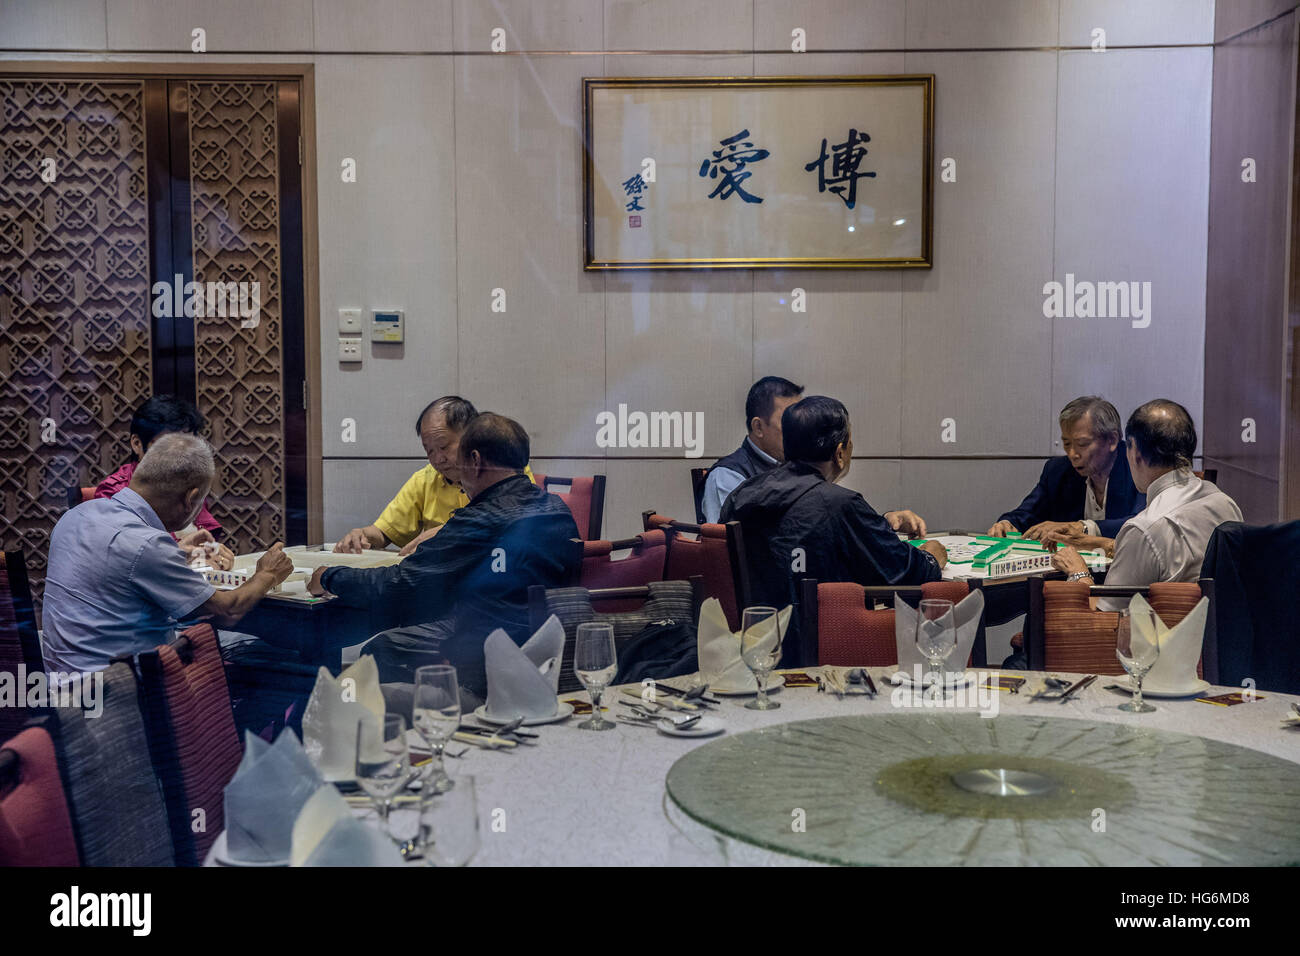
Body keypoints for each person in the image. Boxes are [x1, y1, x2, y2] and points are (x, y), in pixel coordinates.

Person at [309, 413, 581, 703]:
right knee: (389, 644)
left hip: (486, 667)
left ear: (474, 460)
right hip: (548, 656)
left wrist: (329, 576)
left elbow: (399, 586)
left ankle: (425, 730)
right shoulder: (556, 508)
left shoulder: (480, 519)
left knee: (368, 669)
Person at [42, 433, 294, 673]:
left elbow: (114, 568)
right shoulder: (147, 545)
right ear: (191, 498)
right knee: (275, 659)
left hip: (63, 678)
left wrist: (175, 552)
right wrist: (268, 574)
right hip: (123, 691)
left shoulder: (74, 516)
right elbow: (227, 612)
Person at [721, 396, 946, 664]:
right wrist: (932, 555)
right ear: (840, 452)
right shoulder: (840, 504)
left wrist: (882, 522)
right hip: (826, 649)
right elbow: (908, 573)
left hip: (753, 646)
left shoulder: (742, 494)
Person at [1050, 400, 1242, 611]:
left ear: (1135, 454)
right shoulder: (1226, 503)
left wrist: (1078, 572)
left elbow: (1106, 615)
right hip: (1218, 636)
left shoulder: (1144, 528)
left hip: (1162, 640)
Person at [334, 395, 534, 556]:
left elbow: (519, 523)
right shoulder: (425, 479)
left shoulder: (503, 469)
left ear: (472, 437)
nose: (438, 459)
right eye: (429, 451)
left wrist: (450, 532)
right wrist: (362, 535)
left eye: (444, 447)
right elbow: (385, 531)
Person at [95, 394, 232, 569]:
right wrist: (179, 555)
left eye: (188, 444)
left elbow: (202, 549)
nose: (181, 455)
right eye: (167, 445)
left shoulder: (190, 485)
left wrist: (217, 557)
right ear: (137, 443)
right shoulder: (115, 492)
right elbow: (121, 562)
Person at [987, 396, 1142, 543]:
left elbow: (1141, 524)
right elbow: (1027, 514)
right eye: (1067, 444)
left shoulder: (1138, 467)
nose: (1073, 454)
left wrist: (1084, 527)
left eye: (1082, 444)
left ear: (1112, 440)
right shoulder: (1058, 470)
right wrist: (1007, 523)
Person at [700, 376, 804, 523]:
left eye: (801, 421)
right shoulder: (727, 475)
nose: (799, 431)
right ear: (758, 427)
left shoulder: (800, 465)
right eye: (788, 422)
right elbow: (732, 541)